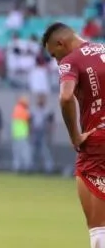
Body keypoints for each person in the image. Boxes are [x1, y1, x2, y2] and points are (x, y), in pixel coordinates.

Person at [42, 22, 105, 247]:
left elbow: (66, 97)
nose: (56, 61)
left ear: (61, 43)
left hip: (98, 141)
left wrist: (75, 137)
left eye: (53, 55)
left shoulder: (71, 60)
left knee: (99, 229)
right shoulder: (102, 49)